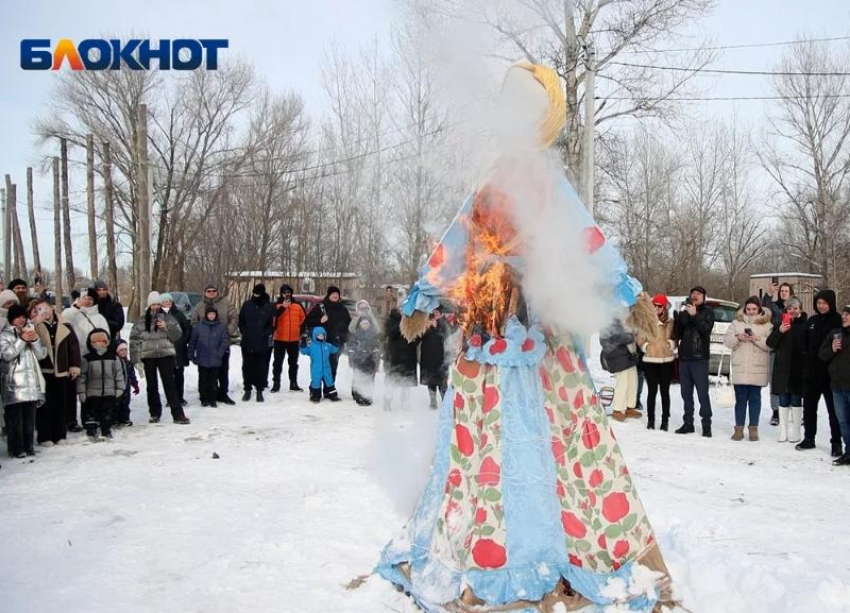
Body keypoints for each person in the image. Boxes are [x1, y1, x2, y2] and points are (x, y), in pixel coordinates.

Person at [375, 64, 671, 611]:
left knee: (559, 438)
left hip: (543, 329)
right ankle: (484, 547)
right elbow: (457, 241)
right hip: (488, 331)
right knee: (485, 442)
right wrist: (423, 294)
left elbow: (584, 237)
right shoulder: (490, 179)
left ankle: (558, 545)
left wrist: (625, 290)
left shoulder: (547, 181)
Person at [130, 292, 190, 424]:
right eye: (153, 304)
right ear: (149, 305)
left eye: (158, 304)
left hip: (165, 355)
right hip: (148, 356)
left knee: (170, 385)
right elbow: (134, 341)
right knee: (152, 386)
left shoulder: (168, 318)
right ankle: (154, 413)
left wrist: (167, 328)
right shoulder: (140, 321)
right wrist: (136, 360)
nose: (156, 307)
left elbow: (178, 335)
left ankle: (178, 414)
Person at [798, 289, 843, 455]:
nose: (821, 306)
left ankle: (836, 442)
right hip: (811, 373)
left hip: (831, 374)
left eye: (824, 303)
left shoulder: (838, 321)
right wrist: (805, 357)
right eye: (818, 303)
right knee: (809, 408)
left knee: (834, 411)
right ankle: (809, 438)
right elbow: (802, 341)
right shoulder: (812, 321)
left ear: (831, 303)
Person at [31, 298, 81, 445]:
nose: (43, 312)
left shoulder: (65, 325)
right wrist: (35, 324)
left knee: (60, 404)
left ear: (52, 308)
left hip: (61, 370)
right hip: (43, 371)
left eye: (45, 308)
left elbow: (73, 346)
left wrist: (74, 365)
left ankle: (60, 434)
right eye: (39, 309)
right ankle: (45, 436)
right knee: (44, 405)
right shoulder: (35, 326)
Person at [723, 297, 772, 442]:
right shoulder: (736, 323)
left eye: (754, 309)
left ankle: (753, 429)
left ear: (759, 309)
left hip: (757, 367)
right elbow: (727, 342)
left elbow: (770, 345)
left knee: (755, 399)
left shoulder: (767, 325)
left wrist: (756, 339)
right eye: (748, 309)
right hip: (740, 367)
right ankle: (738, 429)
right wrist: (738, 337)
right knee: (740, 400)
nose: (751, 312)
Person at [1, 304, 48, 457]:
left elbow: (42, 355)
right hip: (13, 383)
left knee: (29, 418)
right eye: (17, 317)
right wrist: (21, 340)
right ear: (11, 318)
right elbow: (6, 355)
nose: (21, 320)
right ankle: (16, 448)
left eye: (23, 317)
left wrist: (35, 341)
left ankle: (29, 446)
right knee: (15, 419)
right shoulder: (4, 335)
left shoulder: (30, 330)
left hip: (30, 382)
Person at [674, 286, 715, 437]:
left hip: (699, 358)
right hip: (685, 358)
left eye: (698, 294)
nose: (695, 296)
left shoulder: (708, 312)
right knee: (686, 394)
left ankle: (706, 424)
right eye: (693, 293)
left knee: (702, 394)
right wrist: (678, 319)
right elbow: (678, 334)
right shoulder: (685, 312)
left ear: (704, 296)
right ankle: (688, 423)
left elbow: (706, 330)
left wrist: (695, 315)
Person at [766, 297, 808, 443]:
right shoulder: (780, 325)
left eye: (795, 308)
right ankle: (783, 431)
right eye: (789, 308)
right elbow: (770, 343)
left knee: (796, 400)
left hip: (798, 369)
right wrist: (780, 331)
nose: (792, 311)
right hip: (782, 369)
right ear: (786, 310)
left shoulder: (806, 325)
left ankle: (796, 431)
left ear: (800, 309)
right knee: (783, 399)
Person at [190, 283, 238, 405]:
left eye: (213, 291)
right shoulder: (200, 306)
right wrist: (201, 335)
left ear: (217, 292)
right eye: (209, 291)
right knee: (206, 374)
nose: (211, 293)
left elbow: (234, 318)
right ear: (205, 293)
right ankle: (207, 395)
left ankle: (223, 394)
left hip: (222, 343)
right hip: (205, 346)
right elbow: (194, 321)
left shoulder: (226, 303)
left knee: (223, 371)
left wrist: (227, 332)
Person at [636, 294, 675, 431]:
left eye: (660, 306)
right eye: (654, 305)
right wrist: (646, 347)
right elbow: (639, 338)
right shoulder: (646, 321)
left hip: (666, 361)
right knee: (652, 391)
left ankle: (665, 421)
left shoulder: (670, 322)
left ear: (664, 307)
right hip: (650, 360)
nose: (657, 308)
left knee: (665, 392)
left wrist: (671, 344)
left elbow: (675, 336)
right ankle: (651, 420)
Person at [77, 328, 125, 440]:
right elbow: (82, 376)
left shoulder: (113, 358)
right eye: (96, 342)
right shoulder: (87, 359)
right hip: (92, 392)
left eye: (103, 341)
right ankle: (91, 431)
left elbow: (119, 374)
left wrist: (120, 388)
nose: (100, 344)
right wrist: (81, 391)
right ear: (91, 343)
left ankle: (106, 430)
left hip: (109, 391)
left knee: (107, 412)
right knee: (91, 413)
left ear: (107, 342)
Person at [818, 305, 850, 466]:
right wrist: (831, 348)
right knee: (843, 421)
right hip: (837, 386)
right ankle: (848, 452)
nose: (843, 316)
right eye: (843, 314)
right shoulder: (835, 333)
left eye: (847, 314)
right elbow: (822, 355)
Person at [303, 286, 351, 385]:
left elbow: (348, 325)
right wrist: (319, 321)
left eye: (337, 294)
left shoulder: (342, 309)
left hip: (336, 342)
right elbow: (308, 322)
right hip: (321, 343)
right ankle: (315, 387)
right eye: (333, 294)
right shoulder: (320, 307)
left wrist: (345, 338)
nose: (335, 295)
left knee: (333, 365)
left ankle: (329, 387)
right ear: (328, 295)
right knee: (320, 366)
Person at [762, 281, 794, 425]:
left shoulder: (795, 307)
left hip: (791, 349)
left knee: (793, 380)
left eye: (786, 291)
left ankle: (795, 409)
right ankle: (776, 412)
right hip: (776, 347)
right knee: (775, 380)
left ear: (791, 293)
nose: (783, 293)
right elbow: (765, 310)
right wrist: (769, 294)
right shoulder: (775, 307)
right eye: (782, 291)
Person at [238, 284, 275, 402]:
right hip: (247, 341)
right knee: (247, 366)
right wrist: (245, 332)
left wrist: (264, 334)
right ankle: (247, 389)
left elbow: (272, 325)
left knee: (260, 367)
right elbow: (241, 321)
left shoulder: (268, 306)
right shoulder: (247, 305)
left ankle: (259, 390)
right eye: (254, 293)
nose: (256, 295)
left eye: (258, 293)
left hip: (262, 342)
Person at [383, 291, 419, 411]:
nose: (403, 309)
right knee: (391, 382)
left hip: (409, 356)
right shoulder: (391, 319)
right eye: (401, 307)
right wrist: (402, 321)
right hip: (395, 356)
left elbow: (418, 337)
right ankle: (387, 402)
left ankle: (405, 403)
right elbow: (391, 334)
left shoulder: (413, 320)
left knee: (406, 383)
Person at [600, 314, 640, 422]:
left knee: (632, 382)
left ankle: (629, 407)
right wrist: (632, 337)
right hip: (617, 356)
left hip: (628, 355)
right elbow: (617, 337)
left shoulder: (625, 318)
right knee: (622, 383)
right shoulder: (607, 320)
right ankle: (618, 410)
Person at [188, 306, 229, 407]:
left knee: (213, 380)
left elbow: (224, 341)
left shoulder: (221, 326)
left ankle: (213, 399)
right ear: (206, 315)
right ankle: (204, 399)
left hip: (215, 359)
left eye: (213, 314)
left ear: (216, 315)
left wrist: (219, 353)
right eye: (209, 314)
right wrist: (191, 354)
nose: (211, 316)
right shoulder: (199, 326)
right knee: (203, 380)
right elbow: (193, 342)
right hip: (202, 358)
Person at [271, 284, 306, 392]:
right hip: (279, 338)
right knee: (277, 362)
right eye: (284, 292)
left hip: (294, 339)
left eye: (289, 292)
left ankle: (293, 383)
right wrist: (283, 307)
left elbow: (304, 319)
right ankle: (276, 383)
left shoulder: (298, 305)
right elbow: (272, 319)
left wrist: (300, 331)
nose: (287, 294)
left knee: (293, 363)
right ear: (281, 294)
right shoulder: (276, 305)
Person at [160, 293, 191, 407]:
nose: (167, 303)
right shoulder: (158, 316)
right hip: (164, 350)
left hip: (179, 349)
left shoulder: (179, 314)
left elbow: (187, 329)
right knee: (168, 376)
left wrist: (182, 341)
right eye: (165, 301)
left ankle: (180, 398)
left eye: (169, 301)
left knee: (179, 374)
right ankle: (171, 399)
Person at [300, 326, 341, 403]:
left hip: (326, 368)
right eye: (319, 335)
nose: (321, 337)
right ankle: (315, 396)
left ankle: (333, 395)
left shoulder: (327, 345)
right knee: (316, 381)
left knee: (329, 381)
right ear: (315, 335)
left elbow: (334, 350)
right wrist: (303, 344)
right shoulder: (311, 346)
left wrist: (336, 342)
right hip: (316, 368)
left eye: (323, 335)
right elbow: (304, 351)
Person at [419, 308, 450, 410]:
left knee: (442, 381)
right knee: (430, 380)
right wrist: (426, 328)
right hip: (428, 357)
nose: (435, 313)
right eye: (434, 312)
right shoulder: (426, 322)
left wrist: (436, 327)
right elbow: (419, 338)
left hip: (441, 357)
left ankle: (445, 401)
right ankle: (433, 402)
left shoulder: (444, 323)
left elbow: (447, 336)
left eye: (437, 312)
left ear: (440, 313)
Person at [348, 315, 381, 406]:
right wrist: (352, 360)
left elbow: (377, 350)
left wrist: (376, 362)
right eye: (363, 323)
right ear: (359, 324)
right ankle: (358, 395)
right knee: (359, 378)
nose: (365, 325)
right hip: (358, 361)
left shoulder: (374, 335)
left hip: (370, 361)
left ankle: (367, 396)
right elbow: (351, 349)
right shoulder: (356, 335)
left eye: (367, 323)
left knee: (369, 379)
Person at [114, 339, 138, 427]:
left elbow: (132, 375)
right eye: (121, 350)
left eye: (125, 350)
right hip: (117, 386)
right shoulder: (115, 362)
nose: (124, 352)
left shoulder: (128, 363)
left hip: (126, 386)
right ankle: (115, 419)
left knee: (125, 403)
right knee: (116, 403)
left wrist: (135, 385)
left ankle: (125, 418)